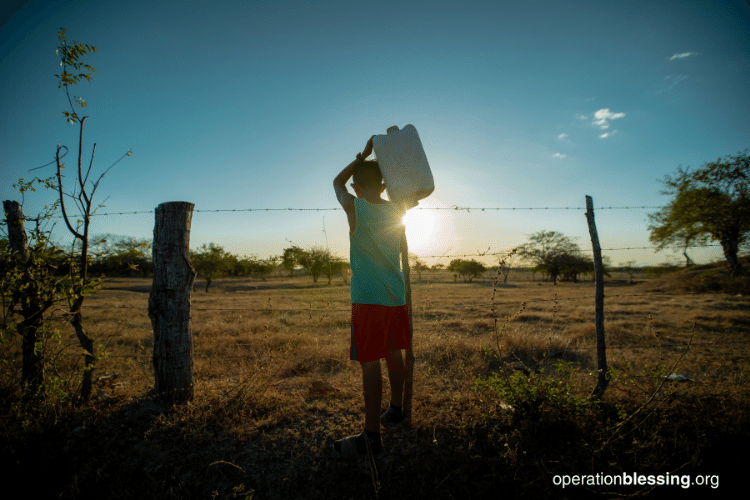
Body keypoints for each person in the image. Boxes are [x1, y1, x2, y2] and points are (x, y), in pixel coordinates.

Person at [332, 135, 411, 458]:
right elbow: (400, 193)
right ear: (383, 185)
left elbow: (337, 181)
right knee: (394, 352)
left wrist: (361, 155)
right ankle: (395, 408)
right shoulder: (398, 210)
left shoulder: (354, 207)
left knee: (369, 365)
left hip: (367, 298)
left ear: (357, 187)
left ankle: (371, 438)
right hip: (396, 295)